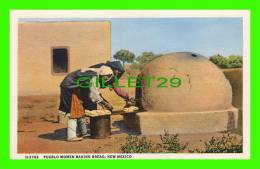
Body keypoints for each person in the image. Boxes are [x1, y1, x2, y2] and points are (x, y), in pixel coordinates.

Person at [58, 61, 134, 142]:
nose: (118, 74)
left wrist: (127, 98)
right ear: (116, 70)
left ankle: (83, 132)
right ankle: (71, 136)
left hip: (79, 87)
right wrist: (104, 103)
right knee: (74, 111)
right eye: (118, 72)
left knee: (80, 110)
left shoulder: (108, 74)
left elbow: (118, 89)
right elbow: (93, 92)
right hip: (71, 85)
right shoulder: (105, 71)